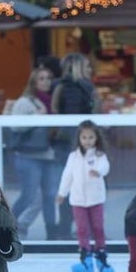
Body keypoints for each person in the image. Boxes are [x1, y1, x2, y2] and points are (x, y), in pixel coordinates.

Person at [49, 53, 98, 239]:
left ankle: (71, 230)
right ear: (77, 67)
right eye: (86, 66)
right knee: (78, 187)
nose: (89, 70)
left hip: (68, 144)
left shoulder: (65, 87)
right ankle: (80, 231)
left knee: (73, 186)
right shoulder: (78, 88)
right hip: (74, 145)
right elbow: (76, 117)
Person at [56, 120, 111, 272]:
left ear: (96, 138)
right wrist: (61, 193)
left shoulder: (100, 156)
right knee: (82, 230)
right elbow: (67, 176)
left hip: (96, 199)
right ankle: (86, 260)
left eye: (91, 137)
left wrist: (98, 171)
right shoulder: (73, 157)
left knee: (98, 228)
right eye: (84, 137)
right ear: (79, 138)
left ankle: (101, 258)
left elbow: (105, 167)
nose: (87, 141)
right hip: (78, 200)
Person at [8, 66, 59, 239]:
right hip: (28, 156)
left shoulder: (52, 101)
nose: (46, 82)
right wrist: (37, 116)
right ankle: (7, 225)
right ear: (34, 82)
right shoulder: (25, 102)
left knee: (50, 196)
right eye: (41, 79)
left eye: (48, 78)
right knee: (29, 195)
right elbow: (15, 125)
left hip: (48, 154)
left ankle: (52, 233)